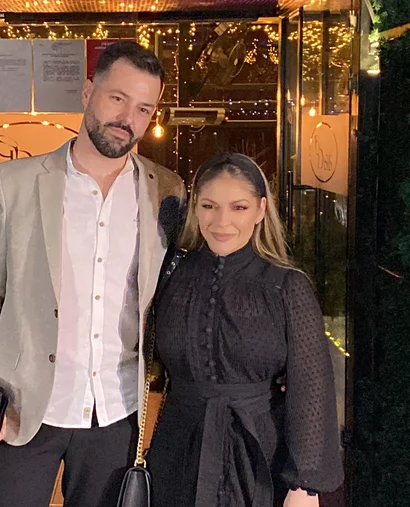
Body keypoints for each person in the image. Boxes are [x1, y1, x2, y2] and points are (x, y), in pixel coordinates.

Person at [0, 41, 185, 507]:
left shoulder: (166, 191)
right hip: (22, 405)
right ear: (87, 92)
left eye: (143, 108)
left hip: (116, 411)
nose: (127, 118)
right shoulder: (16, 182)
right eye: (117, 98)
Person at [146, 153, 343, 507]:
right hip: (177, 452)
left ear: (261, 209)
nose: (222, 221)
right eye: (209, 206)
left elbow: (312, 387)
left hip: (260, 455)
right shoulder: (172, 275)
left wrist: (304, 485)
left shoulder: (286, 286)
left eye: (238, 207)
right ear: (195, 208)